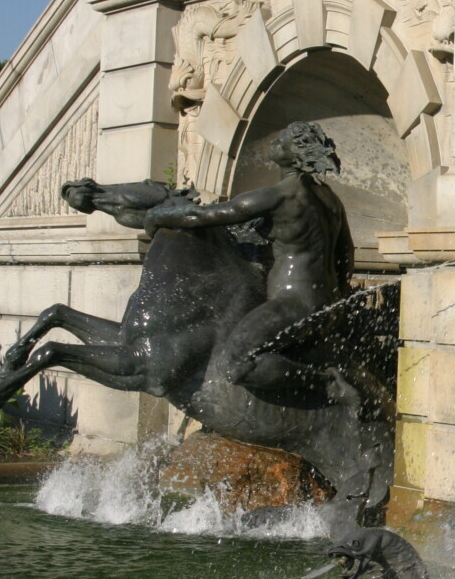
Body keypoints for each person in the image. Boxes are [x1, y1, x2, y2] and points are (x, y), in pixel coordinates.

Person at [142, 121, 356, 397]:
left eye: (281, 142)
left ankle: (327, 384)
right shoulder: (331, 199)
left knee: (235, 365)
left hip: (293, 302)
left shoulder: (280, 195)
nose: (274, 144)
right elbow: (346, 254)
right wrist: (338, 296)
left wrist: (156, 216)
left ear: (296, 154)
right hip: (327, 303)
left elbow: (204, 216)